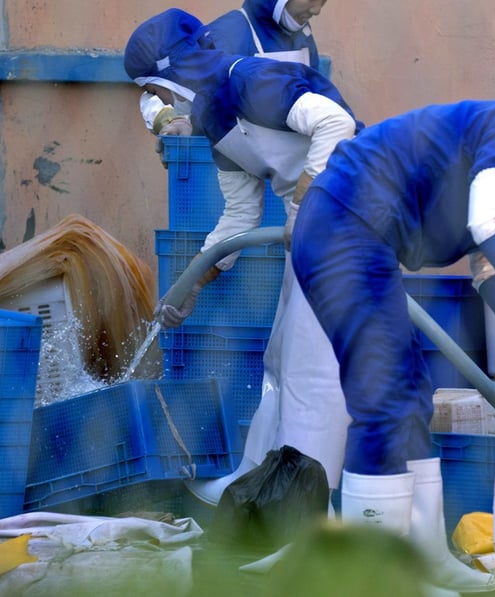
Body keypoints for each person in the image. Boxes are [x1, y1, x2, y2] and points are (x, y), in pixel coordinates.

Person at [288, 46, 495, 592]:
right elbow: (491, 229)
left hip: (356, 232)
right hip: (344, 227)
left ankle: (424, 557)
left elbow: (487, 271)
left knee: (411, 397)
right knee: (384, 400)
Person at [124, 7, 361, 529]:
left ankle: (306, 520)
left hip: (354, 212)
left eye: (155, 92)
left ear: (171, 75)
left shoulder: (248, 79)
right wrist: (192, 282)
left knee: (311, 369)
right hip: (316, 229)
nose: (159, 105)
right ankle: (256, 483)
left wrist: (304, 202)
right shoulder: (216, 120)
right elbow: (239, 216)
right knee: (279, 360)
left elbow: (336, 123)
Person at [139, 0, 326, 143]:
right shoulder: (227, 33)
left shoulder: (302, 35)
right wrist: (170, 120)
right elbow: (166, 91)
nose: (317, 10)